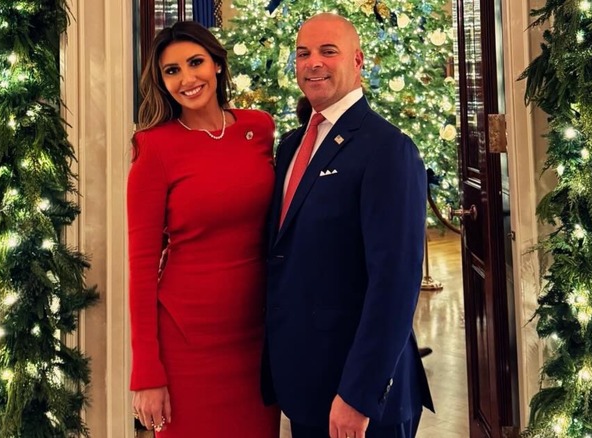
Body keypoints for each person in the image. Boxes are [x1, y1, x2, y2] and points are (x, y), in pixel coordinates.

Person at [262, 13, 434, 438]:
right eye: (303, 53)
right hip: (306, 385)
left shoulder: (388, 149)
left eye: (327, 51)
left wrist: (359, 394)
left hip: (360, 400)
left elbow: (395, 283)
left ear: (357, 61)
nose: (313, 62)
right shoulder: (291, 146)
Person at [127, 21, 280, 437]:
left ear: (216, 64)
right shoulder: (154, 147)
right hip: (187, 343)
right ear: (161, 82)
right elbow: (141, 267)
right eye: (172, 71)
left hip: (257, 338)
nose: (187, 78)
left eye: (195, 63)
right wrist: (146, 373)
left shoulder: (259, 128)